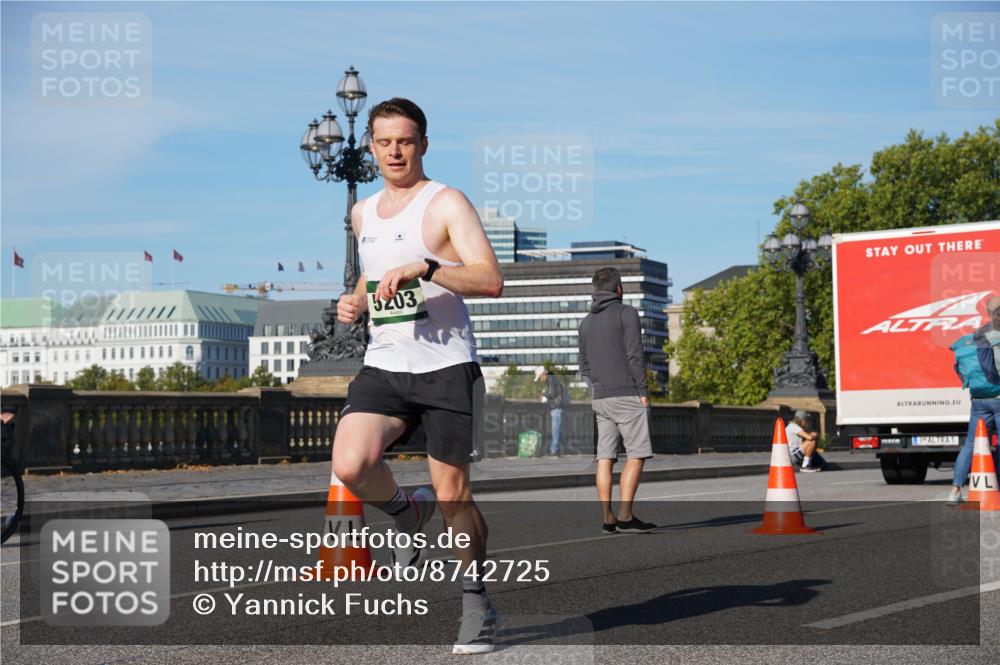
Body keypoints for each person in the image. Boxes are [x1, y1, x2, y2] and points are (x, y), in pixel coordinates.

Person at [332, 98, 504, 655]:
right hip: (384, 363)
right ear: (372, 147)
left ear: (423, 144)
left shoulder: (445, 202)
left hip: (446, 367)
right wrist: (353, 301)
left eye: (405, 140)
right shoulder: (362, 212)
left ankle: (477, 602)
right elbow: (369, 275)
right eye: (383, 142)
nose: (394, 151)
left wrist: (428, 267)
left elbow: (490, 279)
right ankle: (408, 511)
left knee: (456, 495)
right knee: (350, 463)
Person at [578, 267, 656, 534]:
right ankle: (625, 514)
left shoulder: (586, 322)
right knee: (637, 453)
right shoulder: (627, 314)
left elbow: (584, 366)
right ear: (618, 289)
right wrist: (642, 392)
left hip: (600, 397)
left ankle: (607, 518)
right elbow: (635, 356)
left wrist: (596, 387)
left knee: (605, 457)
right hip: (627, 394)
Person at [947, 295, 1000, 506]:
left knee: (970, 445)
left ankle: (955, 491)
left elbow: (959, 369)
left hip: (978, 400)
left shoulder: (977, 336)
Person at [535, 366, 570, 456]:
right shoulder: (552, 378)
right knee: (559, 429)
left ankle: (554, 449)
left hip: (557, 407)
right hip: (559, 406)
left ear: (543, 374)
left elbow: (552, 393)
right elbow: (555, 393)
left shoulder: (550, 379)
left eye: (539, 377)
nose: (540, 380)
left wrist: (544, 394)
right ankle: (560, 448)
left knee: (555, 429)